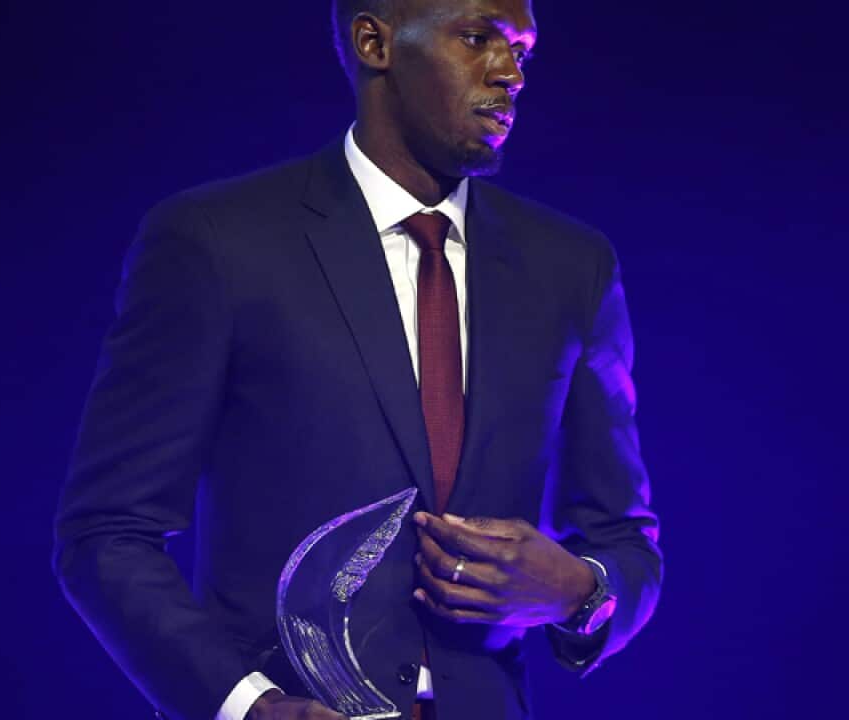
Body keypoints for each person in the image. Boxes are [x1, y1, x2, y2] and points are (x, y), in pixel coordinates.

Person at [52, 1, 661, 718]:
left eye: (522, 51)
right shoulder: (217, 240)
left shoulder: (571, 264)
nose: (510, 73)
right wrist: (251, 707)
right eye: (477, 39)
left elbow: (625, 540)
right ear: (374, 41)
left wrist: (577, 591)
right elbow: (106, 534)